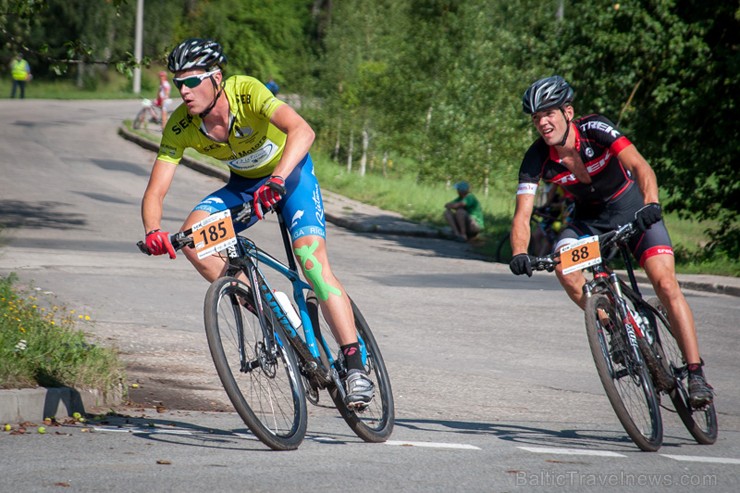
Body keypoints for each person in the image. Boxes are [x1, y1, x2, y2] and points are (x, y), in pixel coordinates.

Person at [140, 38, 374, 408]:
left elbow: (303, 132)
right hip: (245, 188)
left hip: (291, 177)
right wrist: (153, 231)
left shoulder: (246, 92)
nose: (184, 91)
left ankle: (354, 365)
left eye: (192, 80)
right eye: (179, 82)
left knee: (311, 263)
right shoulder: (181, 125)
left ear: (217, 78)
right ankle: (268, 305)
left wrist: (279, 178)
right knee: (193, 242)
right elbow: (156, 190)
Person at [508, 75, 713, 408]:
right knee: (565, 268)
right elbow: (522, 215)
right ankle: (614, 328)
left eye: (548, 113)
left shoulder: (596, 130)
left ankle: (696, 373)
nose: (542, 122)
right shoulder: (536, 158)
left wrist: (650, 203)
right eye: (536, 118)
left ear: (568, 112)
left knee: (665, 283)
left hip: (633, 211)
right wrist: (520, 252)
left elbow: (640, 166)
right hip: (589, 223)